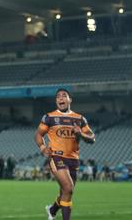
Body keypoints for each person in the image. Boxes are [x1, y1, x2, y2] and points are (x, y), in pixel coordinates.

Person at [35, 89, 95, 220]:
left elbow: (92, 138)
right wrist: (42, 147)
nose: (60, 98)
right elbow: (38, 134)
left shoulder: (80, 118)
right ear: (56, 101)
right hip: (57, 156)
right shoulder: (49, 117)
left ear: (69, 100)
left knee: (65, 192)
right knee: (68, 188)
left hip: (73, 159)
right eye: (58, 97)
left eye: (64, 96)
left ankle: (52, 210)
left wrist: (81, 134)